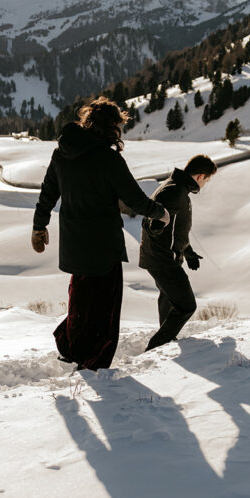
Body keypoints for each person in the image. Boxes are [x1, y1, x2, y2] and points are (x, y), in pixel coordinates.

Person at [31, 97, 168, 370]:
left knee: (80, 297)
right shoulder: (108, 159)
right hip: (103, 244)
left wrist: (39, 226)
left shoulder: (62, 153)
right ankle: (93, 361)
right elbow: (136, 200)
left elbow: (47, 193)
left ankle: (73, 348)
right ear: (111, 128)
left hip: (74, 241)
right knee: (105, 306)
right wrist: (161, 213)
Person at [139, 154, 217, 351]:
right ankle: (155, 347)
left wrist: (187, 251)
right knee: (186, 306)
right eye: (207, 179)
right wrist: (154, 226)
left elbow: (174, 230)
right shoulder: (174, 191)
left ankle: (163, 346)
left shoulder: (179, 189)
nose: (205, 184)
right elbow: (153, 220)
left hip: (162, 257)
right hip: (162, 260)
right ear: (200, 176)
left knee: (170, 299)